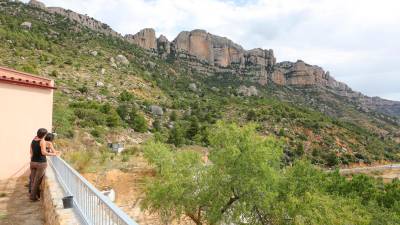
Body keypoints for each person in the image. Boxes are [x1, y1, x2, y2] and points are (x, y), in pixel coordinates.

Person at [29, 128, 57, 201]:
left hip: (33, 162)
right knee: (37, 181)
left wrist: (33, 160)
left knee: (32, 180)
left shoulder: (33, 140)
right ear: (44, 135)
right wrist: (53, 154)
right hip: (41, 163)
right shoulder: (42, 141)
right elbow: (44, 152)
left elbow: (31, 152)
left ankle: (32, 194)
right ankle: (33, 197)